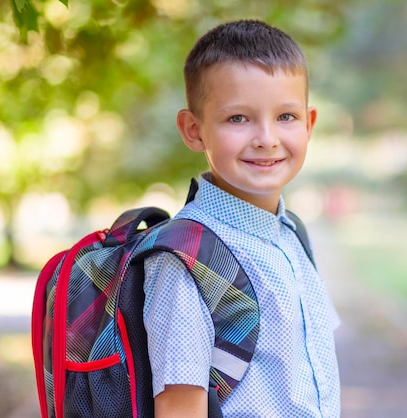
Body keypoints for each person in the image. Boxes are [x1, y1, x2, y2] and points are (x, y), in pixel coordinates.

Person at [142, 19, 341, 417]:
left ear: (309, 123)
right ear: (194, 130)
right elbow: (180, 410)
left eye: (286, 116)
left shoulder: (292, 235)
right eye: (238, 119)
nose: (267, 138)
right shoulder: (187, 260)